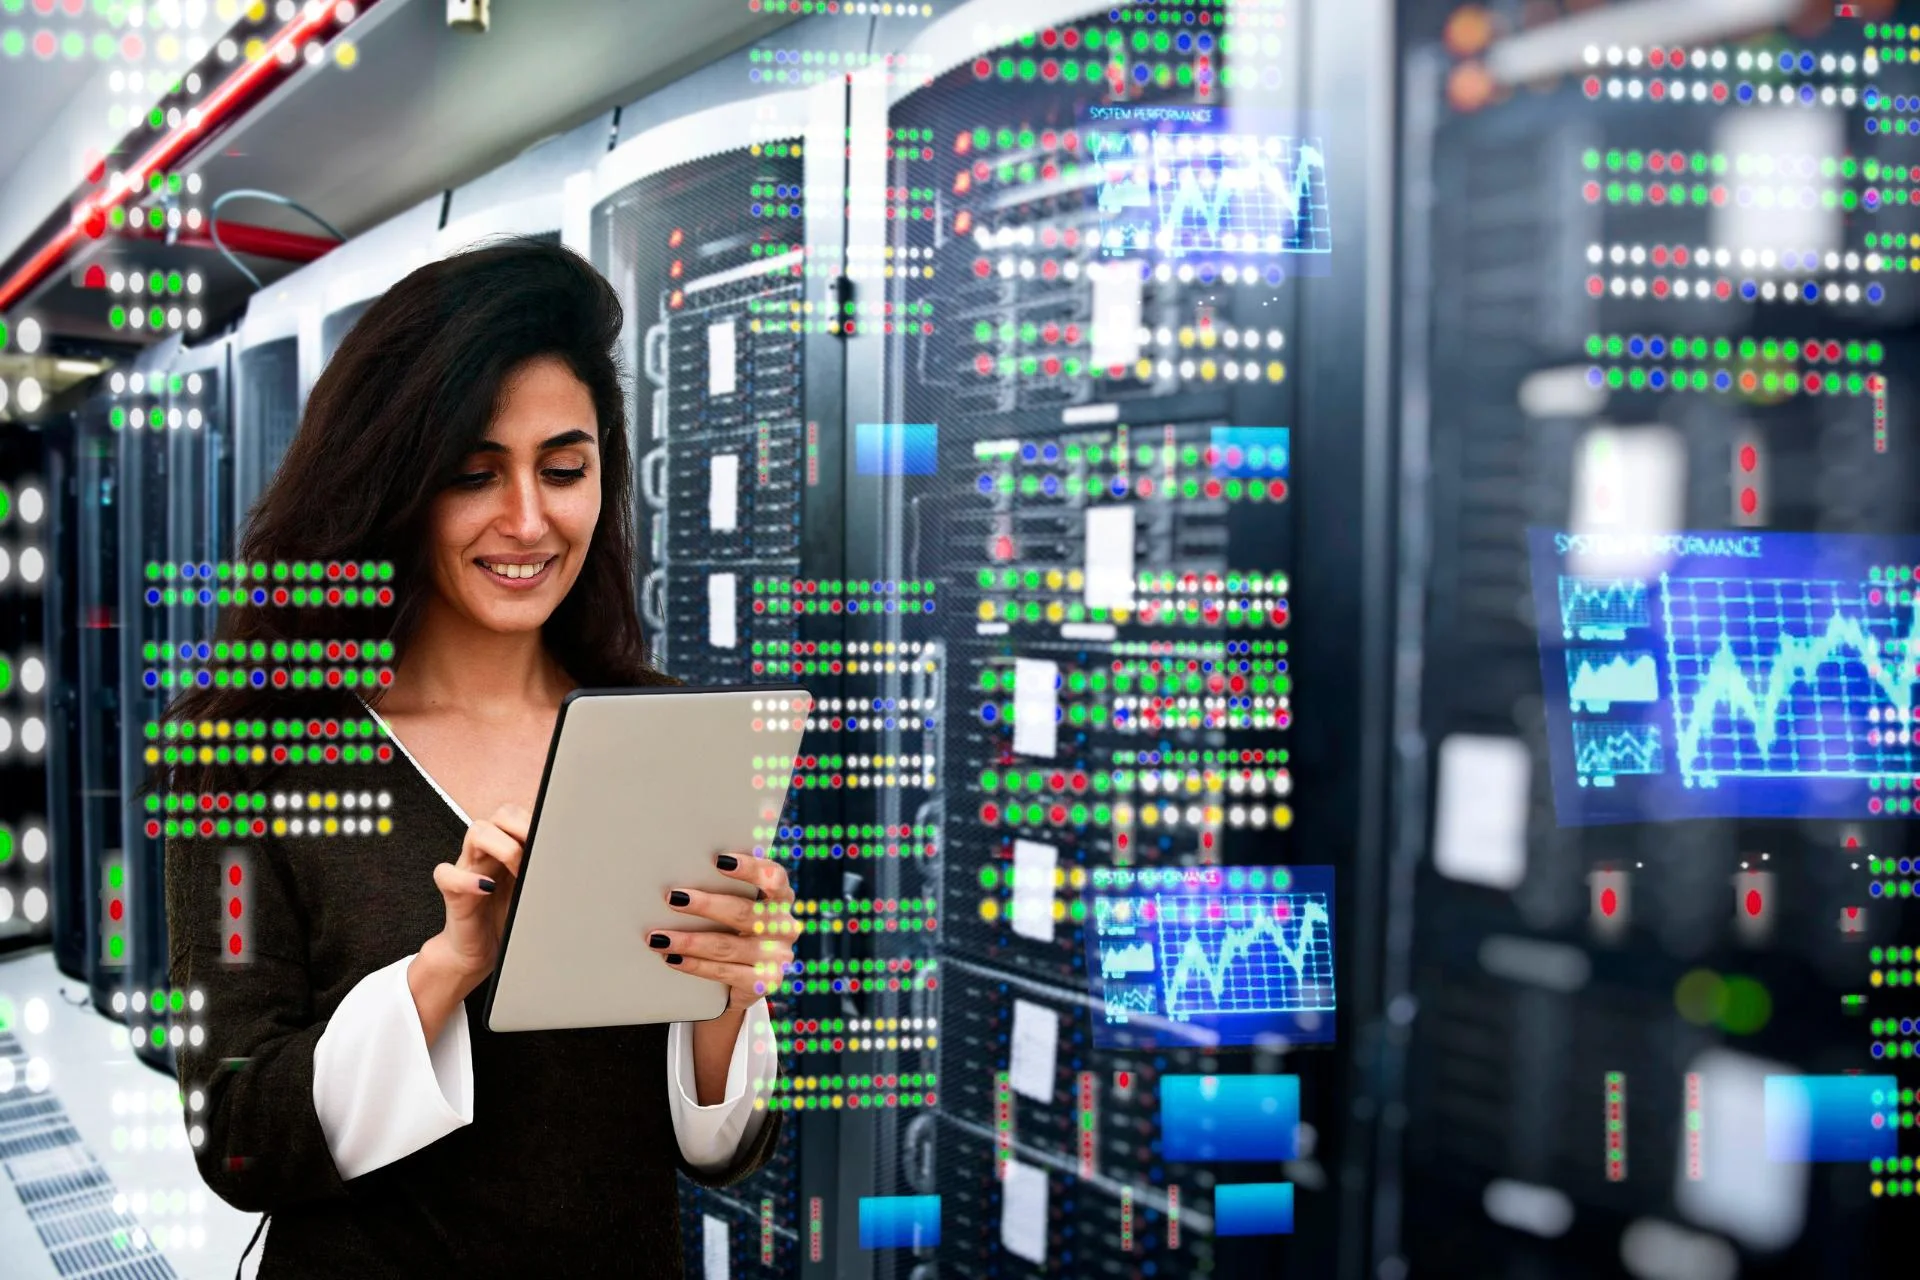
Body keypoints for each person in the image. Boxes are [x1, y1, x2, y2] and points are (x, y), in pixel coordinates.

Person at [160, 237, 795, 1277]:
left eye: (564, 468)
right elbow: (236, 1129)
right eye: (473, 472)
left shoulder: (664, 732)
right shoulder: (251, 757)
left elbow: (715, 1149)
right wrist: (445, 969)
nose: (529, 520)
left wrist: (733, 991)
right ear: (396, 480)